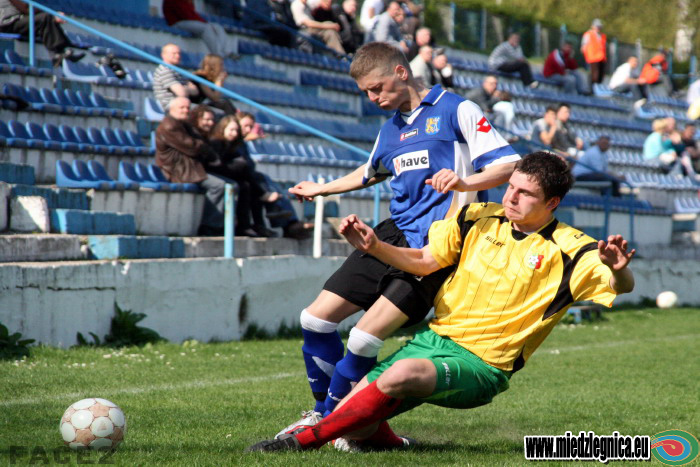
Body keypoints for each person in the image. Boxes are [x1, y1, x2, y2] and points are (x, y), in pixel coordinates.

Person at [247, 151, 636, 452]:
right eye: (511, 187)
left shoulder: (572, 248)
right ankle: (393, 443)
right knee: (356, 423)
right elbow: (424, 260)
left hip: (483, 365)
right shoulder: (477, 217)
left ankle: (299, 443)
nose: (511, 197)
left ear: (552, 203)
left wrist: (617, 269)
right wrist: (375, 246)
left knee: (395, 378)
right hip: (432, 343)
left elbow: (621, 286)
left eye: (525, 194)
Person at [273, 41, 519, 438]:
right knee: (315, 320)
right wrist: (323, 188)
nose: (373, 98)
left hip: (437, 245)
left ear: (401, 73)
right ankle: (341, 421)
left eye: (377, 88)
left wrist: (465, 181)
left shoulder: (456, 109)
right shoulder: (391, 129)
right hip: (392, 232)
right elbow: (368, 171)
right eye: (366, 93)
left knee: (363, 336)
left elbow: (509, 164)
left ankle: (329, 425)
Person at [155, 97, 233, 236]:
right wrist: (202, 145)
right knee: (219, 186)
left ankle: (227, 227)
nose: (186, 110)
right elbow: (192, 147)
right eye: (182, 108)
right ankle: (209, 227)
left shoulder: (183, 124)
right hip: (179, 170)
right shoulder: (169, 125)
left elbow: (199, 143)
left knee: (232, 185)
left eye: (187, 108)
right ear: (171, 109)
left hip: (190, 168)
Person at [238, 112, 314, 239]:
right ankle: (287, 223)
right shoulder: (234, 143)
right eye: (245, 126)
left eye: (250, 127)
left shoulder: (241, 143)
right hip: (238, 176)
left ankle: (287, 221)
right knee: (259, 182)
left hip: (248, 176)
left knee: (266, 181)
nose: (248, 130)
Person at [209, 115, 278, 237]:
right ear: (222, 129)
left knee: (248, 183)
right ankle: (263, 201)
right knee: (246, 178)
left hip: (228, 173)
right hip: (215, 173)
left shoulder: (234, 144)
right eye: (231, 130)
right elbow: (216, 165)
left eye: (236, 130)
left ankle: (251, 225)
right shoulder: (216, 142)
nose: (234, 133)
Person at [0, 0, 84, 67]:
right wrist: (54, 15)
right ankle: (57, 54)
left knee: (47, 19)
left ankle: (60, 53)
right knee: (46, 17)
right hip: (8, 24)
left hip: (17, 21)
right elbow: (26, 8)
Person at [162, 0, 238, 59]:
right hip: (177, 23)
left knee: (217, 27)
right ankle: (217, 54)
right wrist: (204, 23)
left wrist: (205, 23)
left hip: (189, 21)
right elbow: (186, 15)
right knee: (207, 28)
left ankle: (226, 52)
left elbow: (192, 14)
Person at [153, 43, 199, 111]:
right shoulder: (165, 70)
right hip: (172, 106)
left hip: (183, 104)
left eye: (179, 53)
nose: (177, 56)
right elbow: (182, 93)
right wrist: (188, 89)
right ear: (163, 55)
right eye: (174, 53)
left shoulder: (177, 70)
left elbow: (195, 91)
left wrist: (185, 89)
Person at [581, 19, 607, 89]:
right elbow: (584, 46)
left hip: (601, 58)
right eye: (597, 26)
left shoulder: (602, 36)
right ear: (593, 26)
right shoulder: (588, 34)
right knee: (594, 74)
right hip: (592, 58)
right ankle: (592, 88)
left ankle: (597, 88)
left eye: (599, 26)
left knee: (601, 75)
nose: (598, 28)